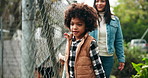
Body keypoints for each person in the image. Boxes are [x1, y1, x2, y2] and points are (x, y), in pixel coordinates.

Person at [63, 3, 106, 78]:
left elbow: (97, 66)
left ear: (87, 25)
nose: (74, 27)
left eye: (79, 24)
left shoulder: (91, 43)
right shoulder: (70, 40)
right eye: (72, 24)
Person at [89, 0, 125, 78]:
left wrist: (121, 58)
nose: (99, 4)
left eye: (102, 1)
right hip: (92, 55)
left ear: (107, 3)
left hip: (107, 57)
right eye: (97, 1)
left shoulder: (115, 20)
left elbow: (118, 40)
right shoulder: (89, 19)